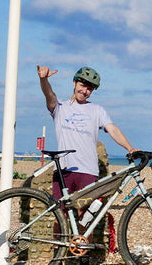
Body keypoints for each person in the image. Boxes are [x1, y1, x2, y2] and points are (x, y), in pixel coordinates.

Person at [37, 64, 137, 200]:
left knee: (85, 216)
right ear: (74, 83)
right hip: (64, 170)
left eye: (89, 89)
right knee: (60, 215)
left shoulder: (97, 110)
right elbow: (49, 94)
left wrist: (130, 148)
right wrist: (44, 80)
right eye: (82, 85)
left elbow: (112, 129)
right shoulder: (60, 107)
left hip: (88, 171)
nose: (84, 91)